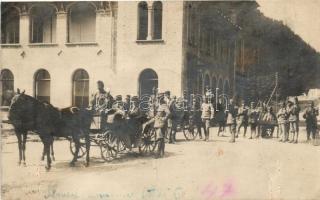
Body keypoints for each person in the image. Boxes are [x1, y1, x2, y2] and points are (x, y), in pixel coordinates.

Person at [145, 93, 170, 158]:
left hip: (161, 124)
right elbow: (156, 115)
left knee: (159, 138)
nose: (159, 99)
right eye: (158, 98)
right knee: (160, 138)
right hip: (157, 122)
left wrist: (164, 119)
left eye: (160, 98)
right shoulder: (158, 105)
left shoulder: (164, 105)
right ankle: (162, 152)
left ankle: (158, 153)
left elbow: (168, 113)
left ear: (162, 99)